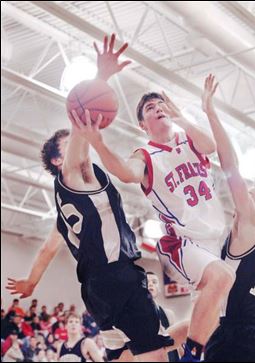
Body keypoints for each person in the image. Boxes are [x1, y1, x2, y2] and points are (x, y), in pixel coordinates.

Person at [6, 34, 174, 362]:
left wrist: (31, 281)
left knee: (125, 355)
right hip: (116, 277)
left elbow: (47, 250)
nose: (79, 139)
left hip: (98, 290)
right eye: (70, 140)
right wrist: (101, 79)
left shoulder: (69, 206)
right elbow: (79, 154)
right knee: (155, 354)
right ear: (57, 160)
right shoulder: (70, 178)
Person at [73, 34, 235, 362]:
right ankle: (190, 357)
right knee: (221, 278)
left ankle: (145, 350)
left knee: (218, 319)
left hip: (219, 238)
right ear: (143, 125)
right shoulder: (145, 153)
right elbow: (125, 172)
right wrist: (100, 145)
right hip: (184, 241)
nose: (157, 108)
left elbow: (210, 146)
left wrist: (183, 116)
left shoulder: (190, 140)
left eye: (161, 104)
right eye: (150, 108)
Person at [200, 74, 255, 362]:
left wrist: (210, 112)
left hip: (241, 337)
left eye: (250, 195)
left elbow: (229, 165)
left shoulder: (250, 225)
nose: (243, 196)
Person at [146, 272, 180, 362]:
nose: (150, 284)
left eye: (154, 282)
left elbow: (177, 343)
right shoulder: (134, 315)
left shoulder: (169, 314)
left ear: (159, 288)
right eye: (146, 281)